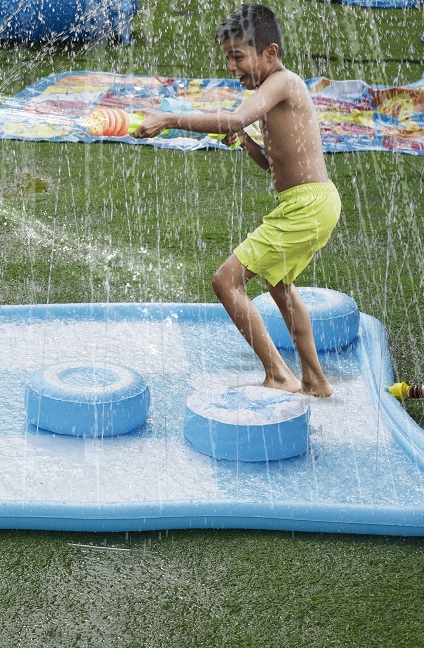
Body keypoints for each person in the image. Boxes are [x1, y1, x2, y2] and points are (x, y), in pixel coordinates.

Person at [134, 3, 341, 397]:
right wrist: (247, 142)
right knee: (280, 288)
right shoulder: (271, 92)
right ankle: (314, 380)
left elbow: (231, 119)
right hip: (310, 202)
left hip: (307, 205)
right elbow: (271, 165)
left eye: (237, 57)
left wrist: (170, 118)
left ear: (270, 52)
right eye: (227, 58)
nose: (231, 67)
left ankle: (280, 375)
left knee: (225, 281)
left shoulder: (282, 83)